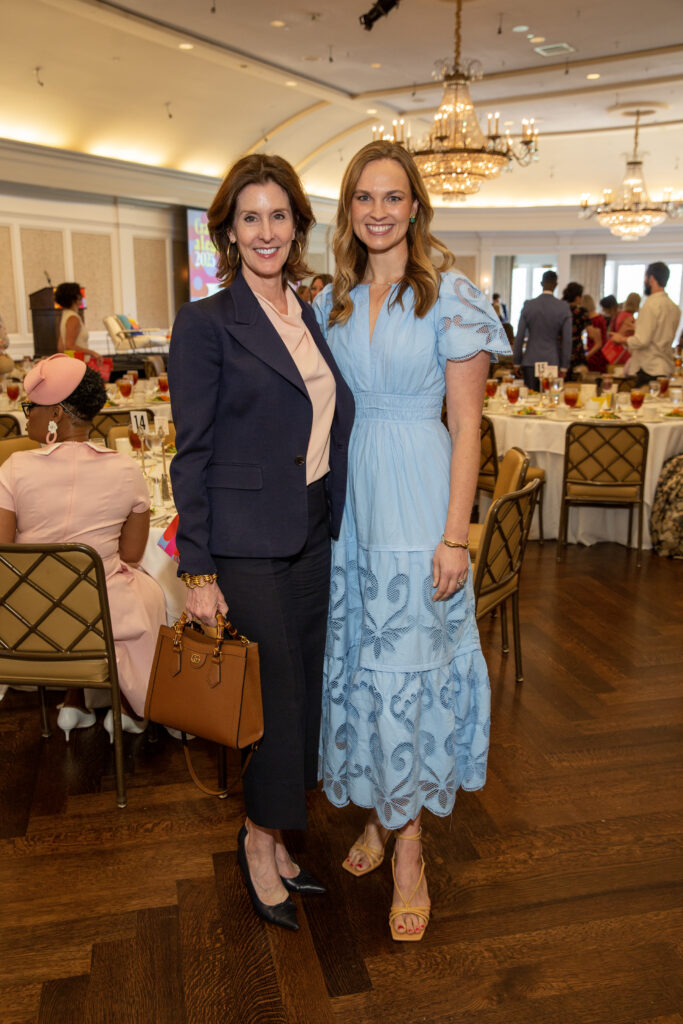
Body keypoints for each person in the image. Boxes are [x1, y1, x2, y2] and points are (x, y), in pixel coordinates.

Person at [313, 140, 510, 942]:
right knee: (361, 660)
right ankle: (376, 815)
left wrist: (455, 535)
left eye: (392, 198)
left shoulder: (450, 296)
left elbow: (466, 425)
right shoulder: (331, 296)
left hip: (419, 491)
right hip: (348, 499)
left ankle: (410, 853)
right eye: (364, 198)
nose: (378, 212)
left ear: (416, 206)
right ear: (348, 209)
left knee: (412, 669)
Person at [168, 154, 354, 933]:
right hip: (246, 544)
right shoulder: (207, 323)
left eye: (279, 216)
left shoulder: (308, 313)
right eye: (250, 217)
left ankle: (275, 836)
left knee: (301, 692)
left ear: (298, 228)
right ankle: (255, 839)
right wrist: (198, 568)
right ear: (228, 231)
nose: (266, 231)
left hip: (312, 529)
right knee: (270, 699)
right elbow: (193, 450)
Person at [0, 354, 166, 738]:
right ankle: (127, 704)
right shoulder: (126, 469)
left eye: (32, 408)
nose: (27, 416)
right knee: (146, 590)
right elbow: (132, 554)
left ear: (56, 412)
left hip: (26, 624)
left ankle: (74, 700)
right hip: (102, 621)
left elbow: (4, 556)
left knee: (65, 591)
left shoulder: (13, 469)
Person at [612, 263, 681, 386]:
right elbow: (660, 334)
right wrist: (638, 328)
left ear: (651, 278)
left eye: (645, 277)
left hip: (649, 368)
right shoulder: (674, 307)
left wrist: (621, 339)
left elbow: (642, 340)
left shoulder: (650, 305)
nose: (644, 281)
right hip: (665, 366)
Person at [513, 270, 572, 390]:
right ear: (555, 285)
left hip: (530, 360)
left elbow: (519, 337)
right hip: (552, 360)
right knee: (549, 399)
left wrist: (517, 362)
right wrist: (564, 366)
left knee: (530, 399)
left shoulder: (529, 305)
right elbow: (567, 340)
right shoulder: (563, 307)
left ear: (541, 284)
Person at [55, 282, 101, 362]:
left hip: (72, 363)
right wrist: (92, 352)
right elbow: (69, 345)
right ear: (76, 297)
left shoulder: (65, 315)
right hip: (79, 363)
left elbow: (60, 346)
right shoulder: (73, 318)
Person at [561, 281, 588, 379]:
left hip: (560, 347)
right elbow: (591, 332)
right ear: (577, 297)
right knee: (576, 381)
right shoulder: (581, 312)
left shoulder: (559, 309)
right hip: (576, 348)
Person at [582, 294, 607, 373]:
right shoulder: (599, 317)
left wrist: (586, 356)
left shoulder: (594, 320)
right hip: (598, 355)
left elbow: (598, 344)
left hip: (595, 357)